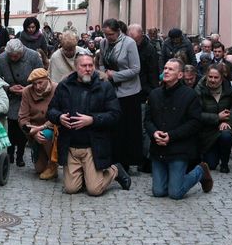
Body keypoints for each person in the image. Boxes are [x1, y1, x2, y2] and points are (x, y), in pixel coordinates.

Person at [48, 52, 132, 196]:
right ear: (76, 67)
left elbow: (115, 115)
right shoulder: (64, 85)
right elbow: (51, 110)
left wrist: (93, 119)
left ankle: (115, 170)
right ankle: (87, 174)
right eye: (83, 66)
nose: (88, 69)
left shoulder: (104, 86)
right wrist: (59, 117)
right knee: (71, 189)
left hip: (93, 146)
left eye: (90, 65)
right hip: (71, 145)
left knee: (94, 190)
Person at [146, 59, 212, 199]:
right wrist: (154, 133)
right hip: (158, 149)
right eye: (165, 68)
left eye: (171, 69)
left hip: (179, 149)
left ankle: (200, 170)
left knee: (175, 193)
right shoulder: (155, 94)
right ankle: (171, 177)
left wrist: (171, 136)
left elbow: (194, 123)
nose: (166, 71)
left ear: (180, 75)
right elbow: (147, 120)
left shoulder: (190, 95)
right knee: (158, 192)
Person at [99, 18, 144, 174]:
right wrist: (104, 72)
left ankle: (128, 161)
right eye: (105, 34)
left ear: (118, 31)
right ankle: (113, 159)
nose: (108, 37)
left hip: (129, 92)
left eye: (110, 34)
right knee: (113, 127)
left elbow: (135, 69)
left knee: (128, 128)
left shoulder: (129, 43)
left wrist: (115, 75)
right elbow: (101, 62)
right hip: (110, 91)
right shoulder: (103, 43)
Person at [0, 38, 43, 167]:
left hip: (28, 97)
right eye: (11, 56)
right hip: (10, 98)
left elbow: (42, 77)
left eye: (16, 56)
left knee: (23, 127)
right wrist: (9, 88)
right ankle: (10, 153)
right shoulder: (2, 58)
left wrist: (27, 90)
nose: (13, 58)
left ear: (21, 52)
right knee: (11, 127)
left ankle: (20, 155)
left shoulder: (33, 56)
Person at [197, 63, 232, 173]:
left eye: (216, 77)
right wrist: (217, 117)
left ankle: (225, 163)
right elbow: (196, 114)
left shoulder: (228, 89)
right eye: (210, 77)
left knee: (226, 135)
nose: (212, 80)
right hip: (207, 131)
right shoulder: (199, 89)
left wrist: (229, 122)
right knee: (211, 165)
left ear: (221, 78)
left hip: (224, 127)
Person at [18, 68, 58, 180]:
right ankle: (41, 152)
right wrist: (32, 133)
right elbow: (22, 117)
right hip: (33, 130)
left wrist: (44, 127)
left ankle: (53, 162)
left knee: (45, 134)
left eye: (40, 82)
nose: (37, 86)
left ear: (47, 79)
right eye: (34, 84)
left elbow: (60, 114)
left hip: (52, 127)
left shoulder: (56, 88)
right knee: (39, 169)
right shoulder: (27, 91)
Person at [129, 23, 160, 94]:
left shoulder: (149, 49)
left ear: (141, 36)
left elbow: (153, 71)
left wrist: (153, 91)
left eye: (136, 41)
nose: (133, 43)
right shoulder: (127, 47)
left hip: (144, 87)